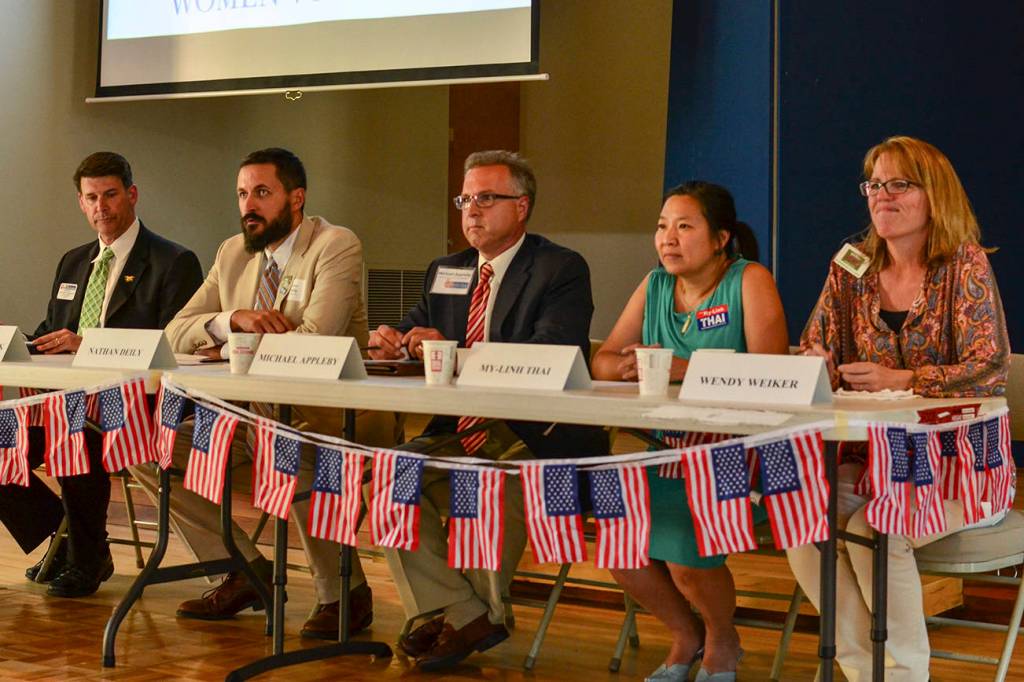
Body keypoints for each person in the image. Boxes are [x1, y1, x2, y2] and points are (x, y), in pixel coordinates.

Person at [128, 148, 401, 639]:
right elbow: (174, 332)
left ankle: (344, 593)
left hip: (329, 418)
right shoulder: (232, 252)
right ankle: (239, 569)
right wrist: (232, 320)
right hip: (251, 415)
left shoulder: (335, 244)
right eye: (241, 194)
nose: (248, 205)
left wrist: (233, 347)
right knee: (149, 449)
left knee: (286, 450)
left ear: (296, 198)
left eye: (262, 192)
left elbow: (316, 339)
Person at [368, 150, 609, 670]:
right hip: (460, 431)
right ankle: (459, 610)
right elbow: (415, 327)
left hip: (536, 436)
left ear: (521, 207)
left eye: (486, 198)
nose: (471, 210)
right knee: (389, 474)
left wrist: (452, 351)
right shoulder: (447, 269)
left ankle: (465, 615)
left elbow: (552, 352)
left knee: (486, 481)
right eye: (465, 200)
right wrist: (393, 340)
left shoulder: (559, 268)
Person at [787, 135, 1010, 681]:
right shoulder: (851, 266)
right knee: (803, 522)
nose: (882, 196)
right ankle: (866, 672)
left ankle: (906, 675)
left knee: (877, 529)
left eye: (899, 184)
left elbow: (989, 366)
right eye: (874, 185)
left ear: (935, 195)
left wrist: (906, 379)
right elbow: (815, 345)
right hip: (871, 463)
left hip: (960, 469)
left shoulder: (964, 263)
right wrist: (816, 361)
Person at [592, 181, 789, 682]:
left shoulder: (749, 279)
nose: (668, 238)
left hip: (736, 452)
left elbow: (774, 373)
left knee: (683, 546)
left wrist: (688, 369)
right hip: (664, 449)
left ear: (721, 238)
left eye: (684, 226)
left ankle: (723, 638)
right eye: (662, 227)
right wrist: (627, 368)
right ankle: (686, 633)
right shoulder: (655, 284)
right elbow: (602, 359)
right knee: (616, 539)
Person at [0, 151, 202, 598]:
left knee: (78, 433)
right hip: (66, 400)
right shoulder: (73, 261)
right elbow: (53, 332)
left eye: (110, 195)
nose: (101, 207)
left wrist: (87, 343)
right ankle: (66, 537)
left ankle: (86, 558)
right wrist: (19, 343)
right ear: (80, 202)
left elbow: (173, 346)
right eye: (91, 198)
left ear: (132, 195)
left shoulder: (173, 261)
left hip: (137, 405)